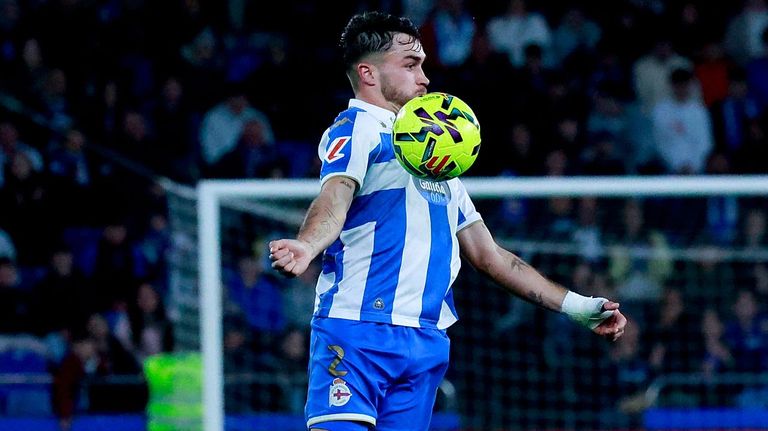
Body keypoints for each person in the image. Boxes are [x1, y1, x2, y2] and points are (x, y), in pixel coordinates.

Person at [268, 11, 627, 431]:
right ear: (367, 72)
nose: (424, 78)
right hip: (358, 330)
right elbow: (334, 197)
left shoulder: (436, 160)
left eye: (423, 64)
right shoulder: (358, 128)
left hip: (426, 341)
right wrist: (308, 246)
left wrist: (577, 306)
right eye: (410, 64)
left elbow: (489, 255)